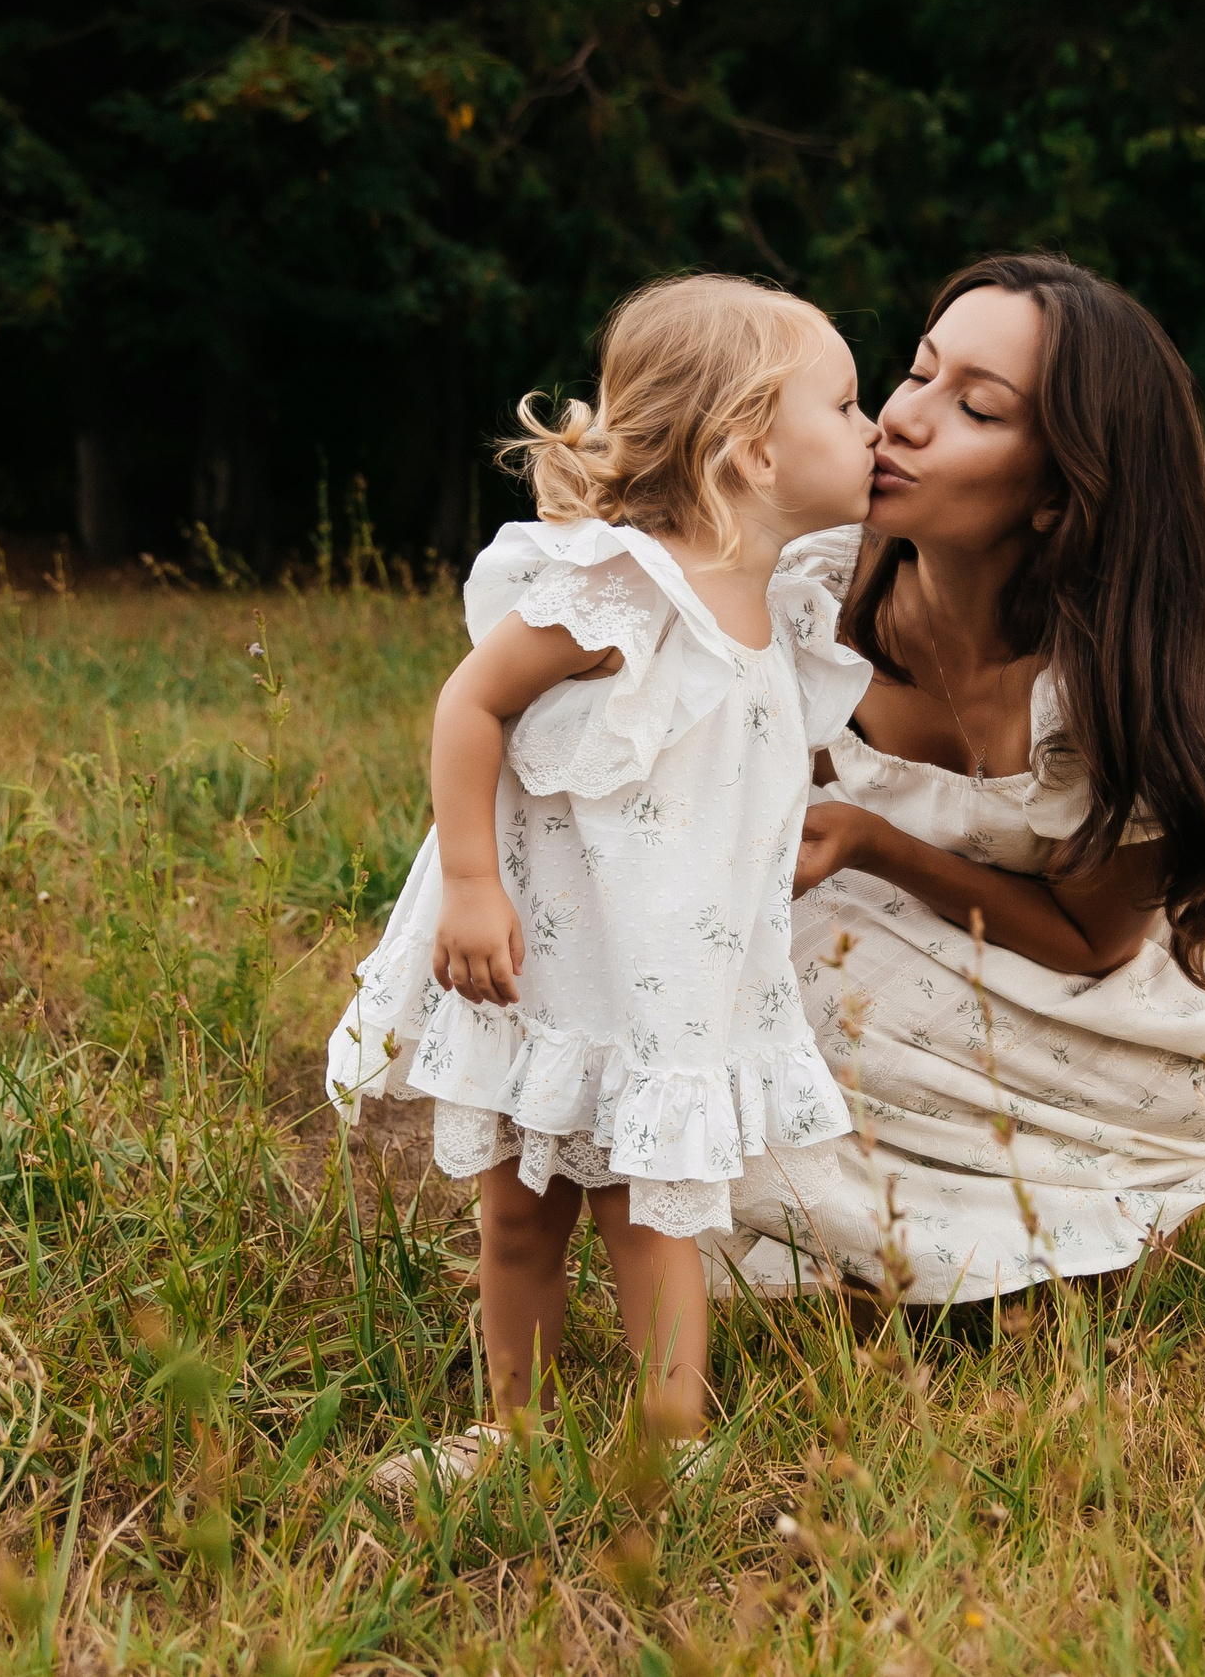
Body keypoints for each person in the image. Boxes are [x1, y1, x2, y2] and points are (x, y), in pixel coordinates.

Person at [326, 274, 880, 1488]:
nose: (876, 426)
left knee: (652, 1208)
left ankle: (664, 1444)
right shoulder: (629, 588)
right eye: (846, 406)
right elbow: (472, 701)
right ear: (749, 452)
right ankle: (508, 1426)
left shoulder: (777, 588)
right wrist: (472, 881)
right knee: (519, 1210)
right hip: (554, 954)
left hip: (671, 974)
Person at [704, 253, 1205, 1307]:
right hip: (908, 927)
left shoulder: (1131, 691)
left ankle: (1029, 1228)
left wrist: (870, 840)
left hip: (1125, 1011)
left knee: (800, 994)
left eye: (976, 408)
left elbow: (1091, 940)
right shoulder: (813, 575)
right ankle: (898, 1239)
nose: (902, 419)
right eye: (916, 372)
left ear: (1056, 489)